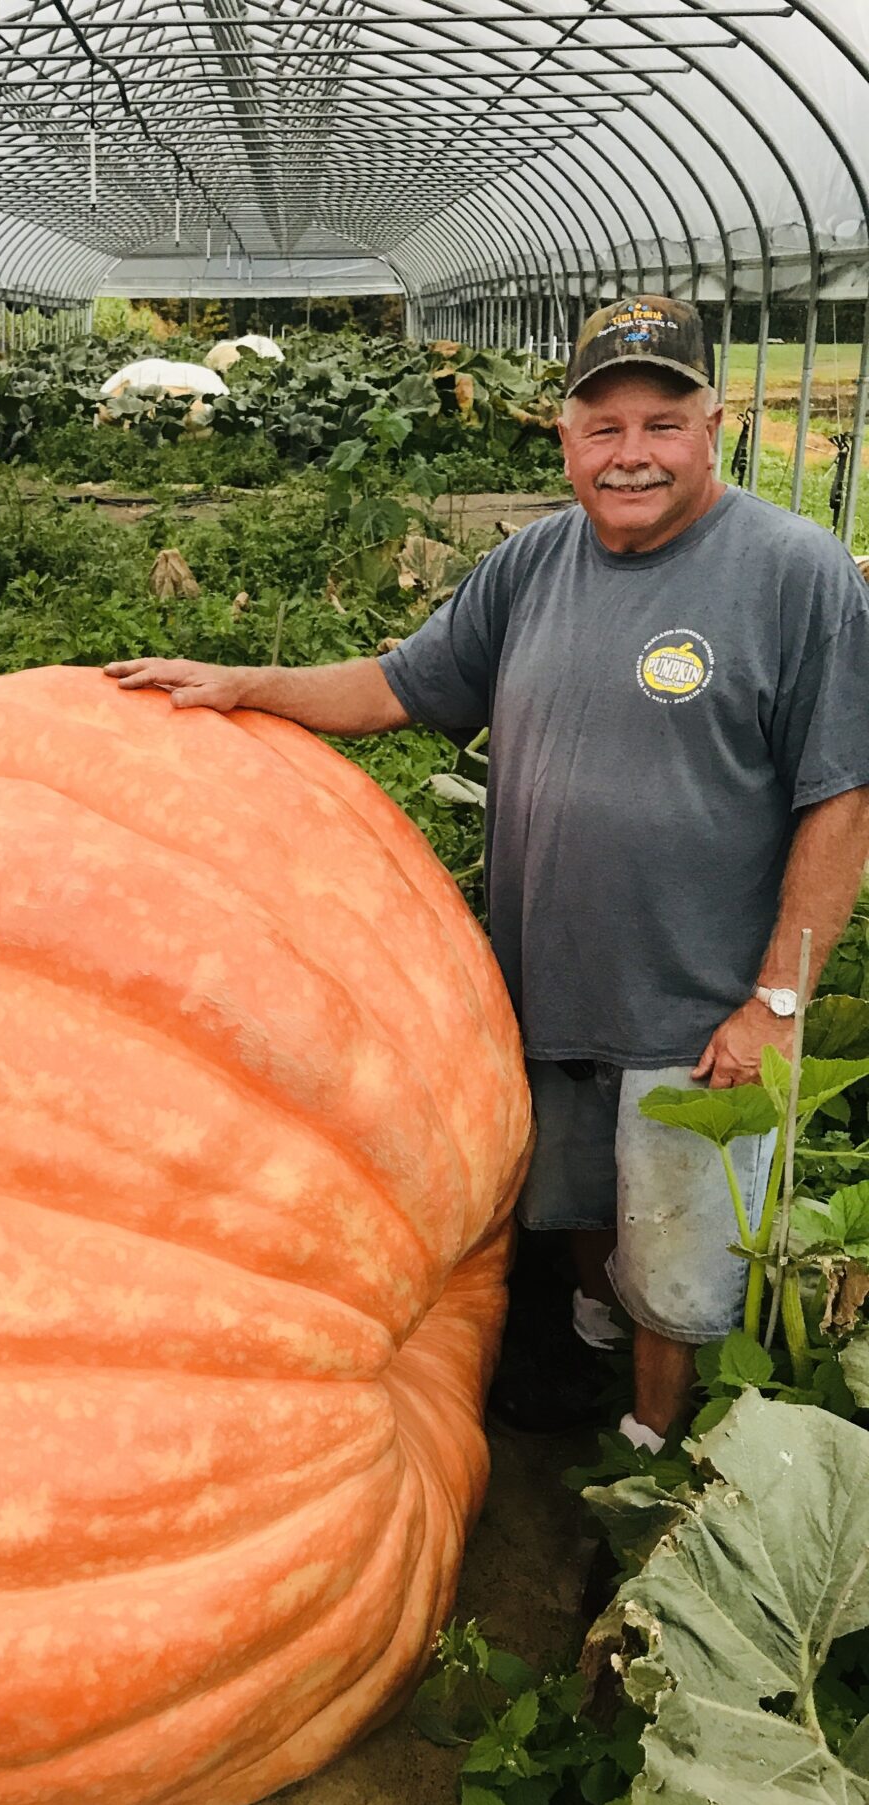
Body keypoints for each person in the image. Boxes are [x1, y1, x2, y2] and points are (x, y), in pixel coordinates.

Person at [105, 296, 869, 1447]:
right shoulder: (532, 563)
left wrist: (774, 1004)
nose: (631, 455)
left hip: (699, 1018)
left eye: (661, 424)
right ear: (563, 436)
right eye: (602, 427)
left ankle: (659, 1454)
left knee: (684, 1259)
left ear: (715, 423)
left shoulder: (795, 573)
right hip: (543, 994)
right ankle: (587, 1355)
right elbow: (401, 684)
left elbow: (842, 800)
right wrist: (243, 681)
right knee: (574, 1208)